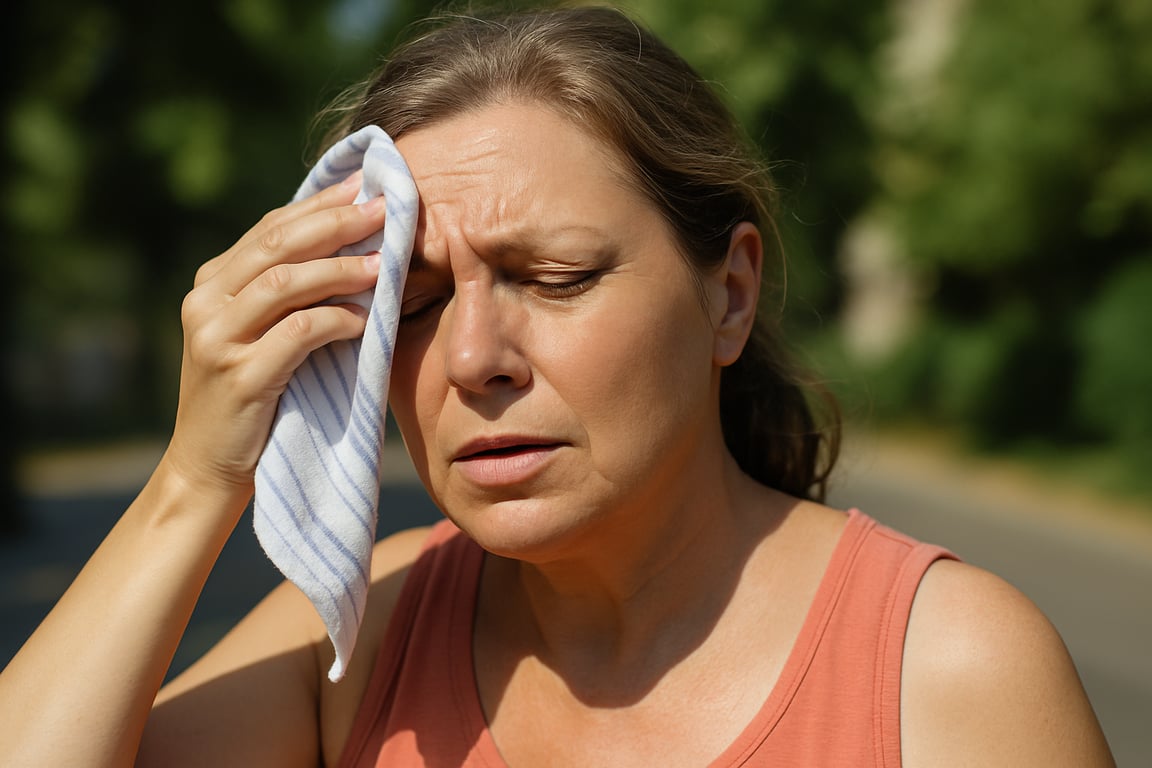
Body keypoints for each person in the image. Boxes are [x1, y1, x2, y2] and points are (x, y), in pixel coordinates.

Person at [0, 5, 1114, 767]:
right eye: (418, 302)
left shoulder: (946, 669)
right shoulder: (363, 635)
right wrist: (194, 480)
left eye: (557, 276)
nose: (473, 355)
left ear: (728, 296)